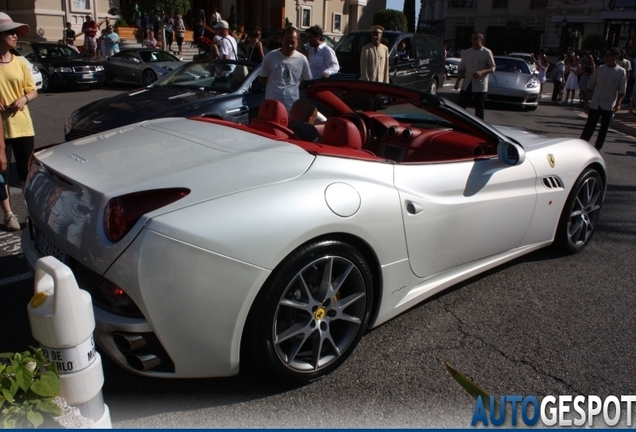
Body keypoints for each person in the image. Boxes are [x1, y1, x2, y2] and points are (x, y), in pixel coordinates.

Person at [0, 13, 38, 231]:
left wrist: (24, 98)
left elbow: (32, 91)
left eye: (16, 32)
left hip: (23, 126)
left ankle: (29, 212)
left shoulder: (20, 62)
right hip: (0, 130)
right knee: (1, 174)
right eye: (10, 32)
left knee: (26, 172)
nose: (15, 36)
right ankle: (8, 214)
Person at [580, 47, 626, 150]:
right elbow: (591, 85)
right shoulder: (600, 69)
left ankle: (597, 148)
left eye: (609, 55)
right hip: (596, 102)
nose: (606, 57)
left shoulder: (621, 72)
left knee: (604, 128)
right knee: (590, 125)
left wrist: (618, 103)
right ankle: (582, 144)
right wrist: (586, 99)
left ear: (616, 57)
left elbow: (622, 90)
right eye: (605, 55)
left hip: (609, 103)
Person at [259, 26, 312, 111]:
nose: (289, 45)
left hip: (292, 106)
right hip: (273, 105)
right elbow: (262, 78)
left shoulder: (302, 59)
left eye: (292, 42)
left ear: (298, 42)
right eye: (286, 41)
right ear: (281, 40)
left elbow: (307, 80)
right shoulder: (270, 57)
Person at [453, 31, 495, 120]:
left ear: (481, 40)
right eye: (472, 39)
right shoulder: (467, 52)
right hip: (467, 83)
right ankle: (458, 123)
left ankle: (479, 127)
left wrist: (482, 72)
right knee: (461, 106)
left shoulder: (486, 52)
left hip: (480, 84)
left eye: (475, 39)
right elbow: (462, 69)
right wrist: (457, 82)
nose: (473, 41)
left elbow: (493, 67)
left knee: (479, 108)